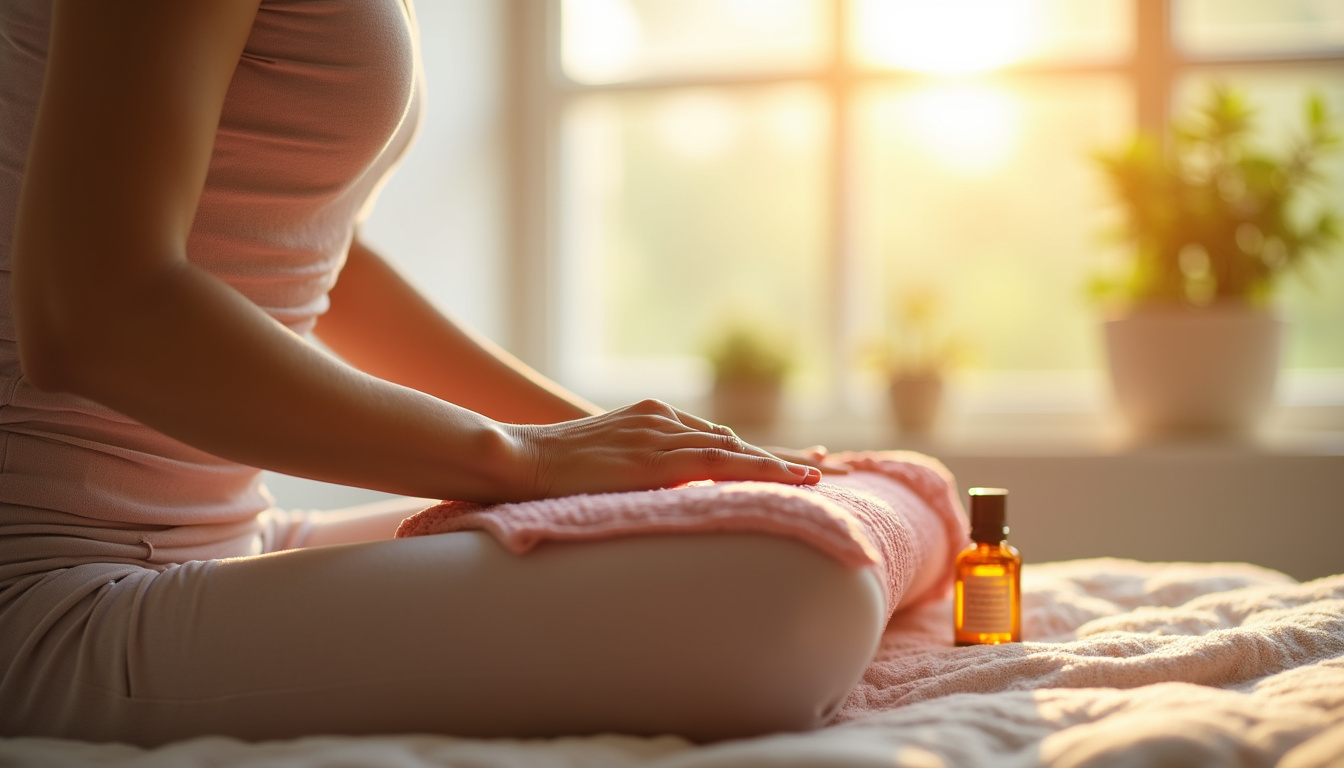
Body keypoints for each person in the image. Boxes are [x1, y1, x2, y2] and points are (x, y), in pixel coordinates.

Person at [0, 0, 884, 745]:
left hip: (236, 537)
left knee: (777, 524)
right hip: (49, 592)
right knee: (796, 586)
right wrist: (524, 459)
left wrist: (664, 460)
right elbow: (91, 314)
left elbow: (318, 259)